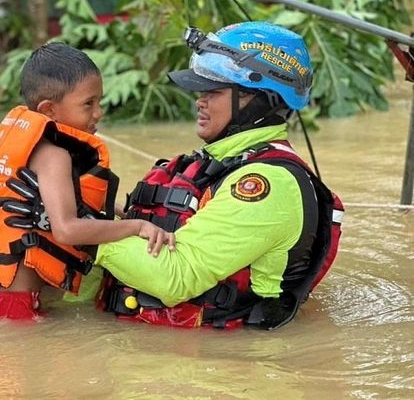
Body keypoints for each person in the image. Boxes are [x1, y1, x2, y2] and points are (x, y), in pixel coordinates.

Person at [95, 21, 344, 330]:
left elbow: (175, 277)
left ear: (257, 98)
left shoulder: (268, 185)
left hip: (222, 367)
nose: (200, 100)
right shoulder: (221, 163)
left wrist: (78, 230)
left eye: (213, 91)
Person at [0, 42, 174, 326]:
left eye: (99, 102)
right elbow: (67, 230)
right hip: (13, 306)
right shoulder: (54, 155)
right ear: (49, 110)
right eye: (88, 104)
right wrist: (139, 226)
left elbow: (49, 207)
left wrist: (119, 211)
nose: (98, 113)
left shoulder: (30, 147)